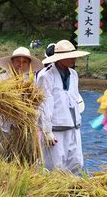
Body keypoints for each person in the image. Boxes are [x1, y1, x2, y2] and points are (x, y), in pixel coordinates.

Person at [37, 40, 89, 174]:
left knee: (76, 162)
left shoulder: (74, 74)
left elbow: (75, 99)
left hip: (73, 126)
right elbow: (44, 105)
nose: (74, 59)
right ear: (60, 58)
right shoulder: (46, 75)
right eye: (70, 56)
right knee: (55, 167)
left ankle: (71, 193)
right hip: (56, 129)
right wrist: (47, 131)